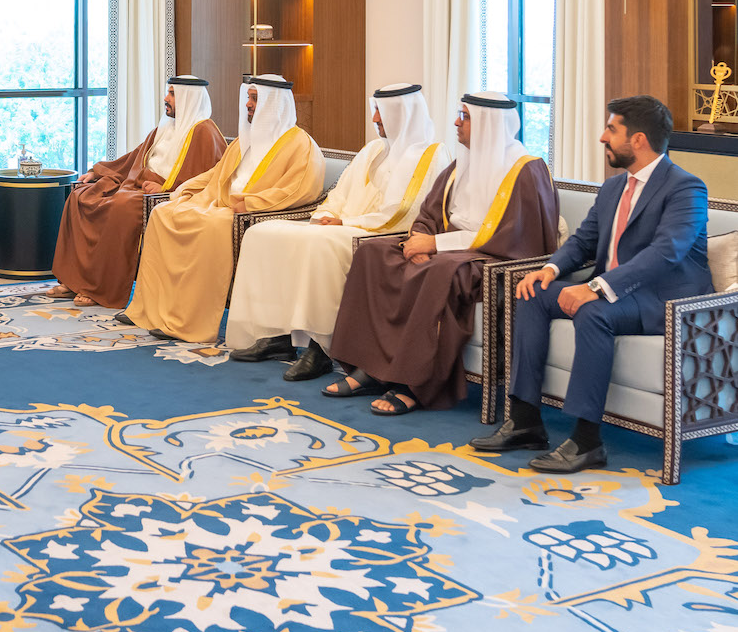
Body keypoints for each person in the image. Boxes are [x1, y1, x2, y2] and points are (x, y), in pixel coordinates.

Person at [473, 95, 710, 472]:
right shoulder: (614, 187)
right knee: (532, 293)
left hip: (662, 302)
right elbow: (584, 241)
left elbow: (666, 253)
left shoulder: (686, 188)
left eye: (611, 129)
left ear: (638, 140)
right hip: (615, 293)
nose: (602, 137)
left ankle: (587, 442)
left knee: (593, 311)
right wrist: (550, 270)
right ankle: (525, 421)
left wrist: (596, 288)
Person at [325, 91, 558, 414]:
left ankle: (414, 384)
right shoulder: (461, 163)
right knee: (373, 254)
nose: (456, 123)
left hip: (492, 260)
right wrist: (421, 237)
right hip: (448, 250)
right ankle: (370, 368)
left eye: (465, 117)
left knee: (437, 271)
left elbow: (514, 238)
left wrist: (436, 246)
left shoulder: (527, 170)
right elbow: (430, 211)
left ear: (489, 124)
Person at [226, 83, 447, 380]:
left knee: (321, 244)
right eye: (375, 110)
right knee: (261, 234)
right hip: (344, 226)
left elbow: (406, 211)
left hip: (381, 234)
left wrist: (345, 223)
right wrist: (328, 215)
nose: (375, 119)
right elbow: (339, 193)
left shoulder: (431, 155)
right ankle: (275, 336)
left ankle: (321, 348)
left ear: (402, 114)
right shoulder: (373, 150)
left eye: (381, 112)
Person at [125, 74, 325, 343]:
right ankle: (152, 310)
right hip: (217, 202)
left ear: (274, 104)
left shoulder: (301, 145)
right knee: (163, 213)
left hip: (244, 213)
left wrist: (251, 204)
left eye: (255, 99)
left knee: (208, 226)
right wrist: (182, 190)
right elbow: (216, 173)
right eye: (249, 98)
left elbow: (299, 189)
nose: (248, 104)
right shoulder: (245, 140)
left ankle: (188, 320)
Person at [48, 75, 226, 308]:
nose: (166, 98)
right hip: (137, 185)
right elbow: (134, 158)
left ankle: (99, 288)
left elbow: (206, 177)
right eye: (168, 92)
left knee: (120, 207)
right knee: (81, 195)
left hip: (162, 195)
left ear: (188, 98)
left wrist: (168, 188)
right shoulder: (165, 127)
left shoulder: (204, 132)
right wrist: (97, 172)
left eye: (172, 94)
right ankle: (74, 281)